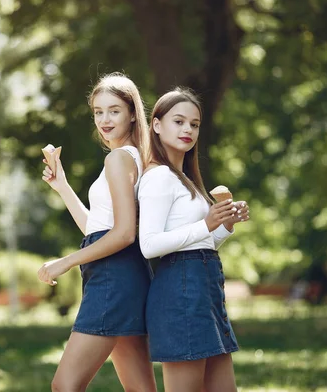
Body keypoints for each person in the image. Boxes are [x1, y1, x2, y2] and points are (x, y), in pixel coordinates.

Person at [38, 73, 156, 392]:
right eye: (98, 112)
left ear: (133, 113)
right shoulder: (134, 157)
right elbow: (98, 229)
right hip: (126, 277)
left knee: (64, 385)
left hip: (113, 279)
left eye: (114, 110)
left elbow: (123, 234)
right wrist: (62, 186)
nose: (104, 119)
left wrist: (66, 261)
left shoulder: (120, 158)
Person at [138, 87, 250, 392]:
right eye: (179, 121)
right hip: (179, 293)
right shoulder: (158, 177)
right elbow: (148, 244)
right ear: (157, 125)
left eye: (194, 124)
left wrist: (224, 225)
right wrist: (205, 224)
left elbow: (202, 243)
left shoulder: (185, 178)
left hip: (205, 290)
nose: (188, 129)